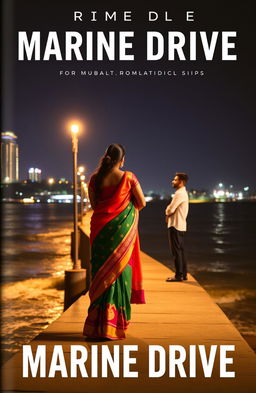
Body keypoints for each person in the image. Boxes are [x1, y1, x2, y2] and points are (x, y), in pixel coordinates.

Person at [83, 143, 146, 340]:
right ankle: (114, 325)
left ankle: (96, 325)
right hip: (121, 233)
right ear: (122, 160)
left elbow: (94, 205)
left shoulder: (94, 179)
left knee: (100, 274)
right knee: (119, 274)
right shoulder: (128, 177)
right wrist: (126, 212)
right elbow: (142, 202)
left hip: (100, 232)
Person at [165, 173, 189, 282]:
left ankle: (178, 275)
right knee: (181, 251)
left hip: (175, 225)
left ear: (181, 182)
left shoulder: (179, 194)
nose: (172, 181)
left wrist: (167, 212)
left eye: (175, 180)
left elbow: (170, 209)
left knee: (176, 252)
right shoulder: (184, 193)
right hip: (181, 225)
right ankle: (183, 274)